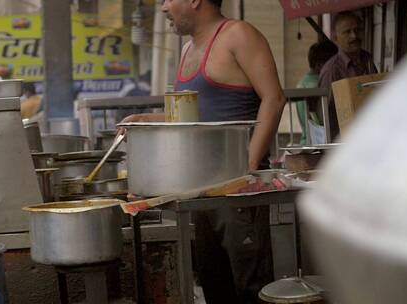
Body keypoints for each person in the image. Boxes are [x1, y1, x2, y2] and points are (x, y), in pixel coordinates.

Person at [121, 0, 286, 302]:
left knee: (250, 288)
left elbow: (274, 99)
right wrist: (143, 120)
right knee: (214, 284)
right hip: (201, 191)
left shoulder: (239, 34)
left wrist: (245, 166)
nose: (163, 8)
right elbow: (188, 117)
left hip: (238, 191)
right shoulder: (186, 50)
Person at [319, 11, 378, 140]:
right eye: (347, 32)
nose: (354, 36)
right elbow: (325, 115)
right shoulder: (331, 70)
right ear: (335, 38)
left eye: (357, 30)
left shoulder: (367, 60)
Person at [296, 40, 338, 144]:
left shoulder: (302, 82)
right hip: (318, 144)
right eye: (333, 63)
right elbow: (322, 121)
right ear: (320, 65)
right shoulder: (320, 86)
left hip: (307, 141)